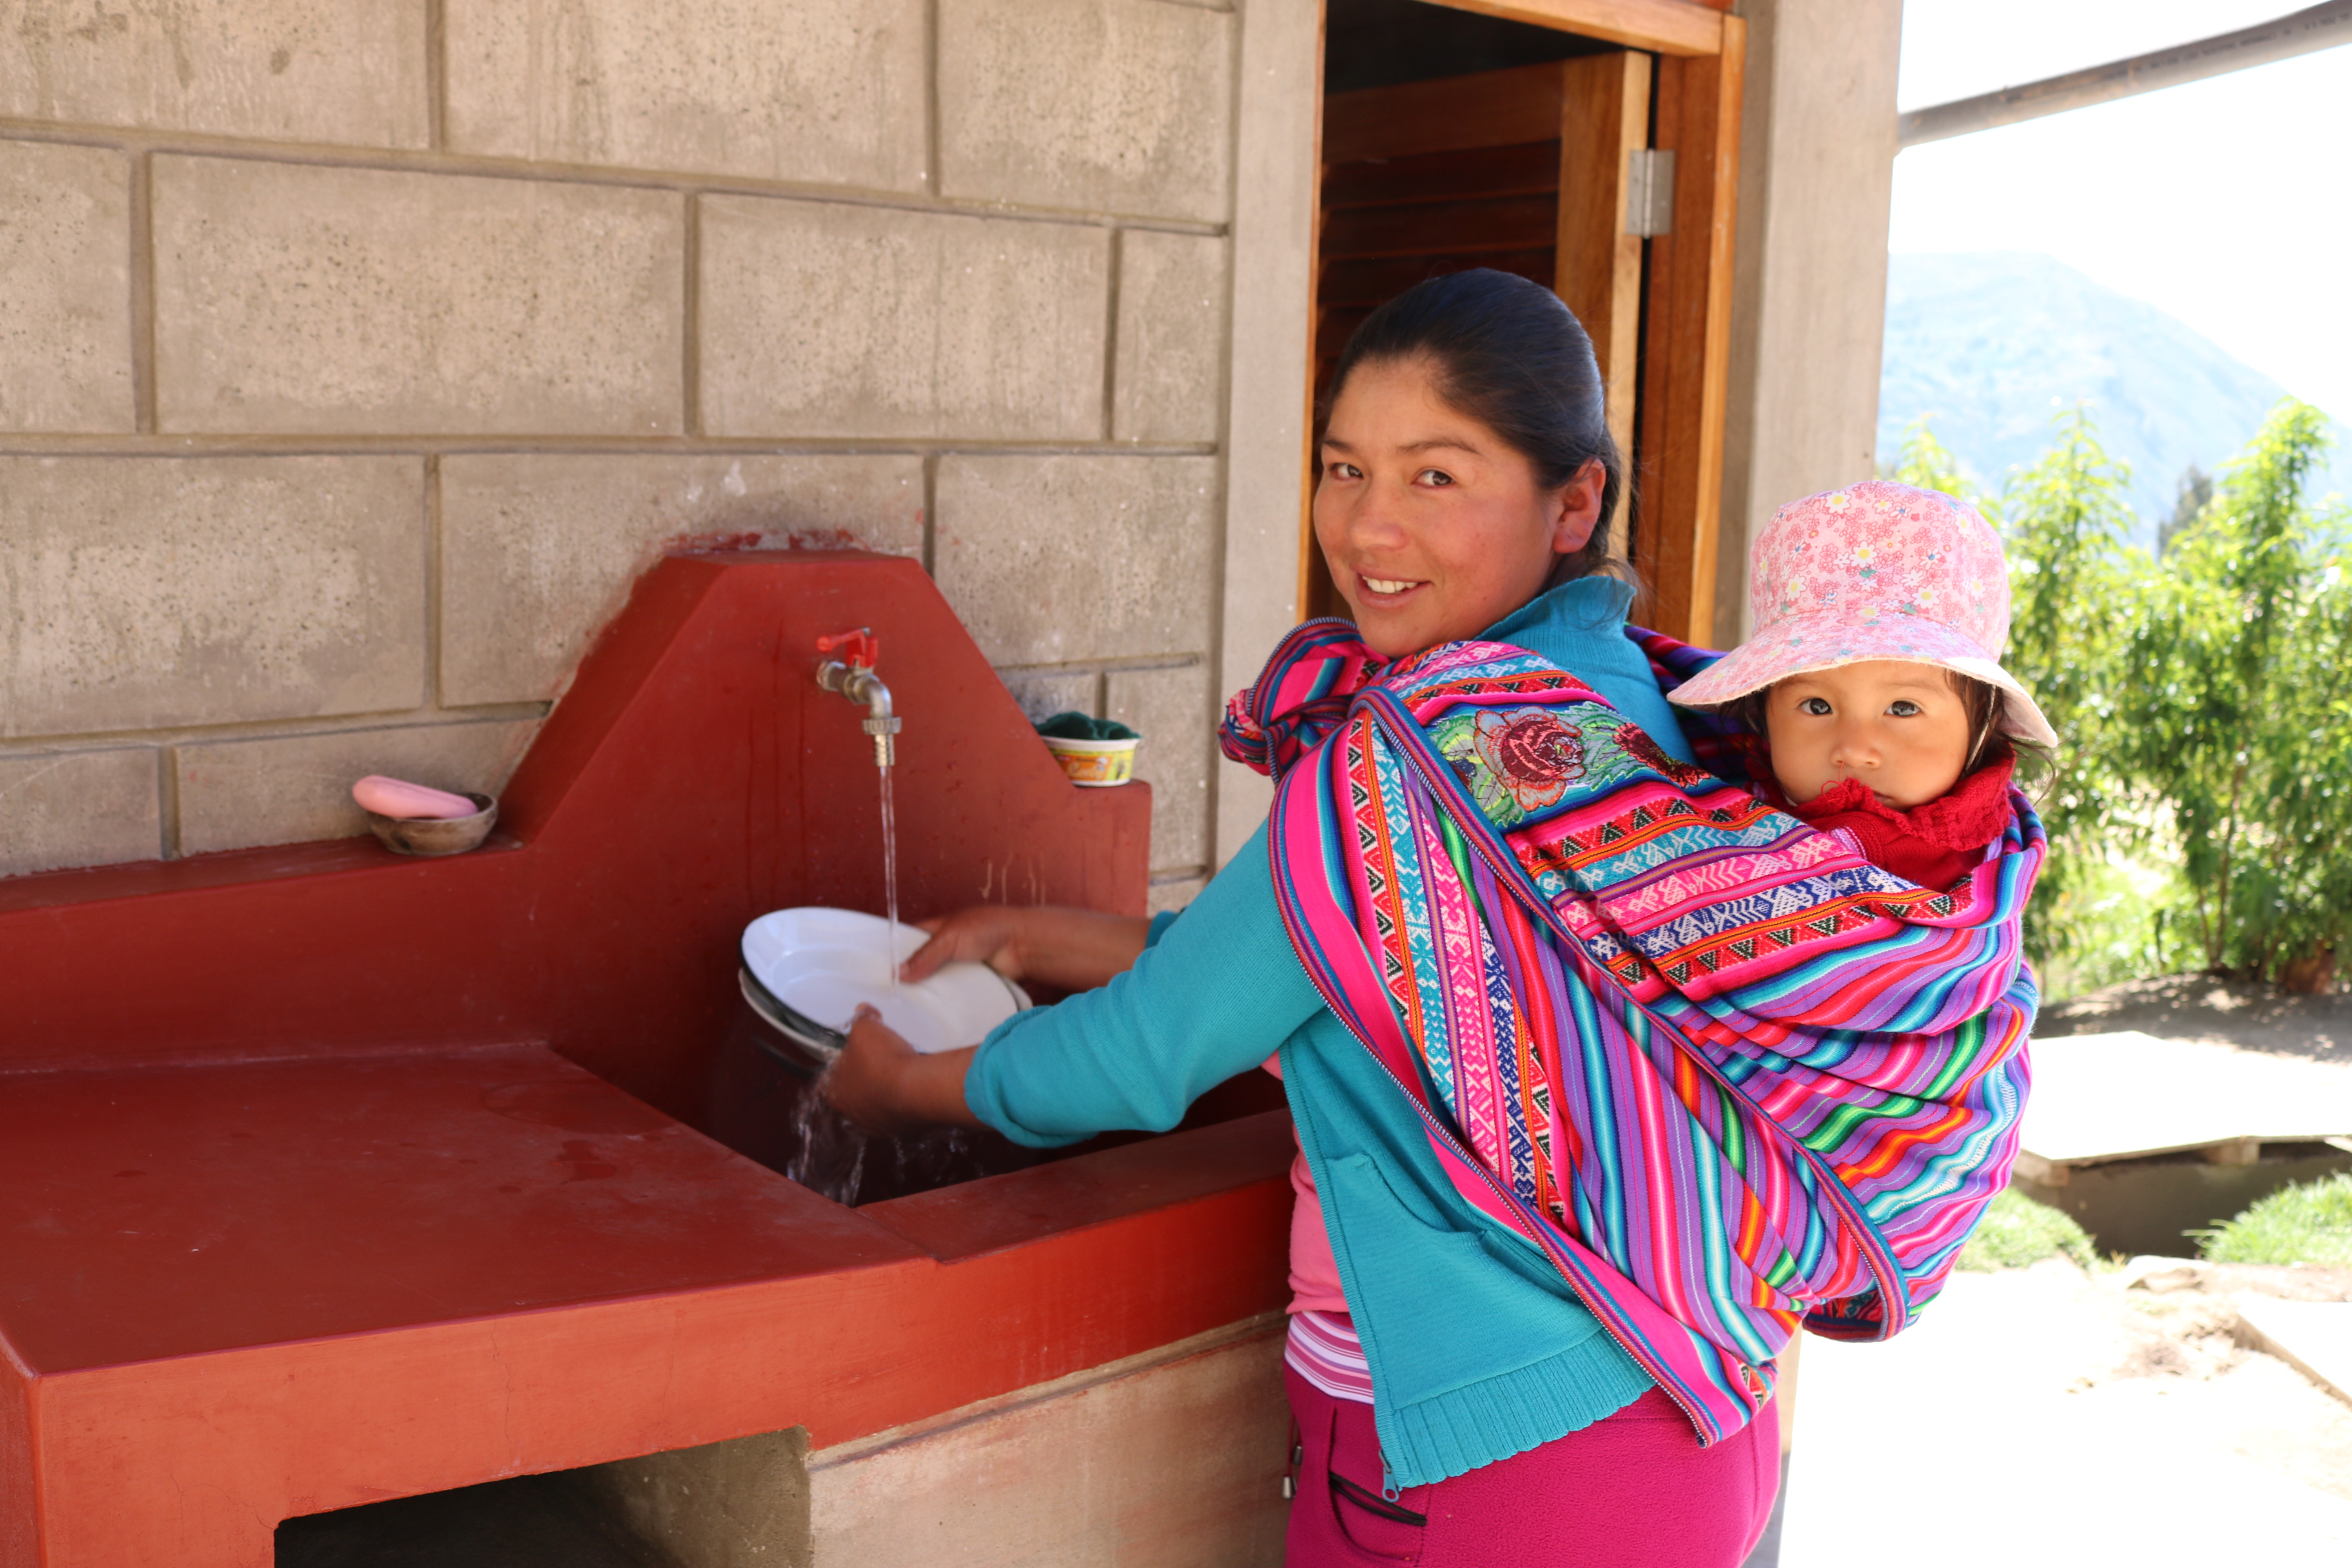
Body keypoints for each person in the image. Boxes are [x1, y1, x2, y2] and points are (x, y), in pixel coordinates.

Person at [825, 270, 2043, 1568]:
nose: (1370, 525)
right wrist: (1034, 941)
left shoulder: (1416, 760)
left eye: (1437, 476)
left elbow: (1148, 1052)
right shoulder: (1644, 712)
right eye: (1344, 468)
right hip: (1700, 1419)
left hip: (1501, 1475)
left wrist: (906, 1085)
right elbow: (1319, 955)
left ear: (1575, 502)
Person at [1664, 480, 2059, 892]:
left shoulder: (1996, 864)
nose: (1853, 750)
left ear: (1981, 719)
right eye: (1817, 706)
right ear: (1763, 712)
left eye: (1903, 708)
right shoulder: (1717, 834)